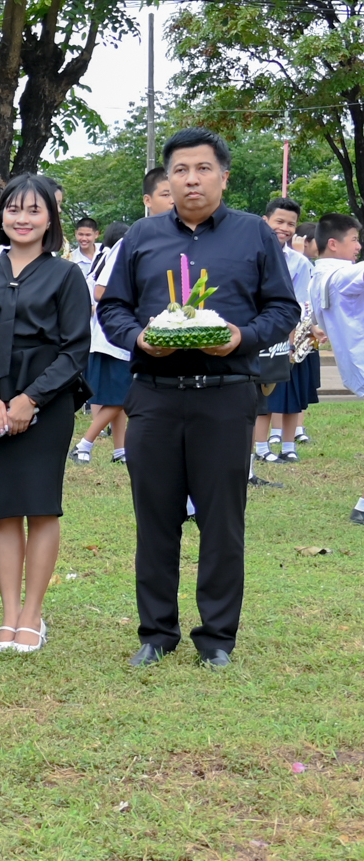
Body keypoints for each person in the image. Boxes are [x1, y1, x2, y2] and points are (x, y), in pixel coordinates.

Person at [98, 128, 302, 669]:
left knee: (222, 522)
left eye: (203, 168)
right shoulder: (141, 236)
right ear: (167, 179)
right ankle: (156, 633)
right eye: (181, 170)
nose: (192, 179)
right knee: (155, 521)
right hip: (155, 397)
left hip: (225, 397)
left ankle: (216, 638)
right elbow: (112, 308)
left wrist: (243, 337)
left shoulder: (253, 234)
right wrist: (139, 338)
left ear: (223, 177)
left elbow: (283, 308)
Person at [0, 174, 91, 654]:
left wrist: (31, 399)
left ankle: (33, 616)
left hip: (47, 400)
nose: (22, 218)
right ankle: (9, 616)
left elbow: (75, 349)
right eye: (14, 209)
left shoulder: (67, 275)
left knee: (40, 504)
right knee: (4, 508)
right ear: (1, 216)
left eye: (34, 210)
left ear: (50, 218)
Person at [306, 215, 364, 522]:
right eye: (354, 239)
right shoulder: (344, 276)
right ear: (333, 243)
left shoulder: (317, 278)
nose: (358, 246)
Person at [252, 198, 317, 463]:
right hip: (253, 333)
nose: (285, 228)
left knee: (284, 392)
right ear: (265, 221)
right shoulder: (248, 252)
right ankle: (260, 448)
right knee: (258, 396)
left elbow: (298, 306)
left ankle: (286, 445)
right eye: (279, 221)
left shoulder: (299, 262)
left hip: (283, 336)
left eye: (291, 224)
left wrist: (290, 344)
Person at [73, 220, 132, 464]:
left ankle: (120, 450)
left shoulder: (102, 257)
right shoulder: (116, 257)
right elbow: (99, 294)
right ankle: (84, 444)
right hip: (113, 341)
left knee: (115, 399)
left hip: (104, 339)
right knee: (124, 397)